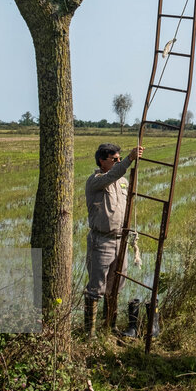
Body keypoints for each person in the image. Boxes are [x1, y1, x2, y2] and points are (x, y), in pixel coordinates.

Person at [83, 142, 143, 337]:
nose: (118, 161)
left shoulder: (121, 182)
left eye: (119, 158)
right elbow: (112, 175)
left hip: (120, 241)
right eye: (114, 159)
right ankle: (89, 334)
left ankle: (110, 327)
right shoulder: (97, 180)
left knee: (115, 286)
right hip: (101, 241)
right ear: (102, 161)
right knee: (96, 288)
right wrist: (129, 159)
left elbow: (119, 178)